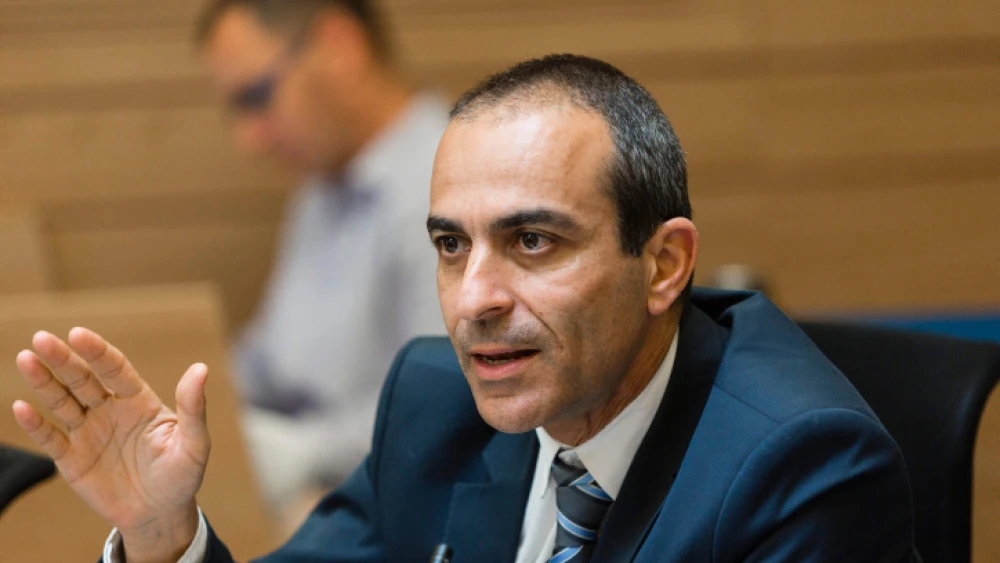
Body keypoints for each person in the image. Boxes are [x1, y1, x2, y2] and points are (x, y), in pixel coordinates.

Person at [11, 55, 919, 562]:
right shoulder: (438, 396)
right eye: (452, 245)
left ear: (664, 263)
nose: (475, 299)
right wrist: (161, 532)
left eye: (533, 242)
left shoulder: (803, 464)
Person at [195, 0, 449, 509]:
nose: (250, 139)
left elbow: (445, 410)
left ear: (339, 44)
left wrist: (298, 453)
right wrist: (187, 395)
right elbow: (267, 364)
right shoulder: (321, 188)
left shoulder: (450, 184)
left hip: (396, 507)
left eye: (258, 95)